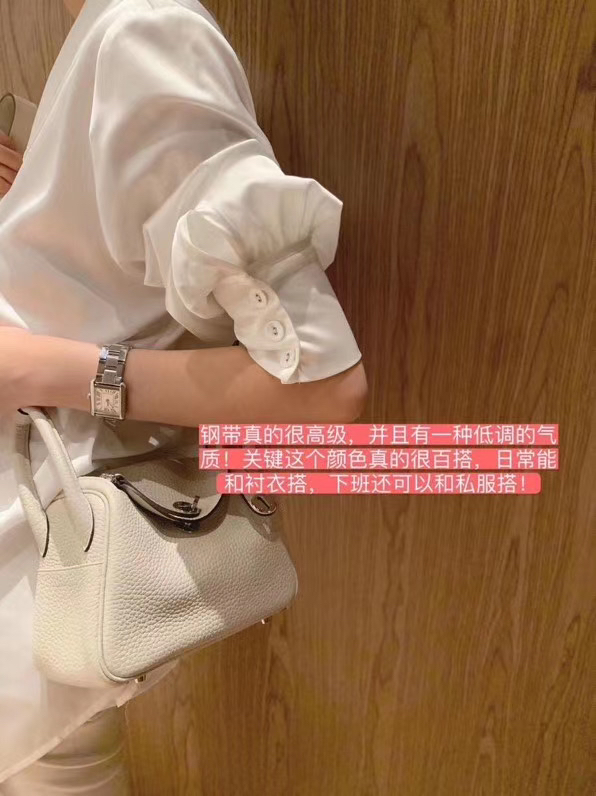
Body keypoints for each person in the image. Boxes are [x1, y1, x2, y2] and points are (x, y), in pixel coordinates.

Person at [0, 0, 367, 791]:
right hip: (49, 521)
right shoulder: (117, 30)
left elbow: (324, 391)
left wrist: (31, 368)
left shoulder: (145, 36)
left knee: (62, 763)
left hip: (61, 532)